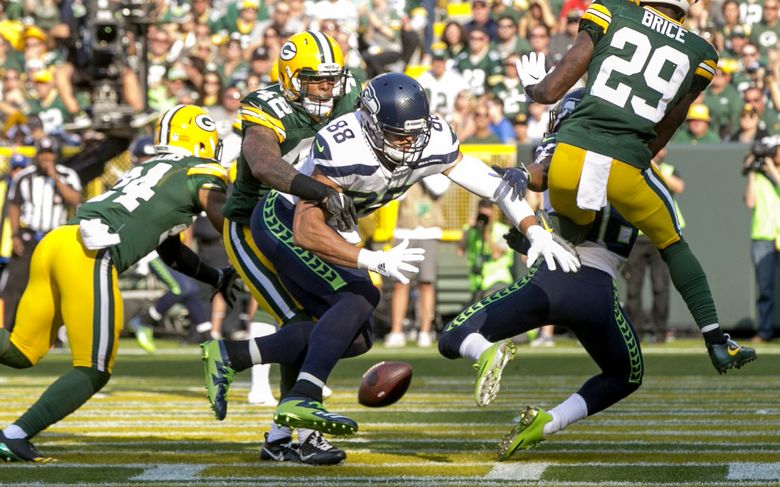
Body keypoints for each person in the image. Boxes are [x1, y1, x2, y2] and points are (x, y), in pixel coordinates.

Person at [201, 73, 579, 453]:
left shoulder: (432, 137)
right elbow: (307, 231)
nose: (409, 143)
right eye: (398, 134)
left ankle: (246, 379)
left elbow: (493, 183)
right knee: (360, 295)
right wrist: (371, 259)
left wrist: (535, 232)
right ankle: (305, 397)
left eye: (414, 133)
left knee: (357, 335)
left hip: (334, 228)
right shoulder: (344, 146)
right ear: (369, 122)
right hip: (283, 221)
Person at [515, 0, 757, 372]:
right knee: (673, 243)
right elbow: (671, 123)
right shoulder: (701, 52)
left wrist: (533, 90)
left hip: (571, 154)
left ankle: (538, 235)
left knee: (574, 224)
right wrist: (635, 158)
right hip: (627, 160)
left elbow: (552, 91)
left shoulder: (613, 11)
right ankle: (716, 340)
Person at [0, 105, 237, 462]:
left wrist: (215, 276)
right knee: (92, 369)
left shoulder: (149, 169)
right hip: (91, 253)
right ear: (202, 139)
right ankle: (14, 435)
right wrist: (252, 249)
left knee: (20, 351)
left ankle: (15, 435)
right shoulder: (199, 170)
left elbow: (169, 248)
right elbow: (220, 213)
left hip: (58, 241)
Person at [218, 30, 360, 466]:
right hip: (251, 226)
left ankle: (283, 434)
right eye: (313, 80)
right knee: (302, 323)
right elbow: (263, 164)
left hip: (303, 222)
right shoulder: (266, 105)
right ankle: (293, 433)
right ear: (288, 77)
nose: (325, 89)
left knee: (330, 324)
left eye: (330, 79)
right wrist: (318, 192)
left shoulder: (349, 94)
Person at [123, 136, 215, 352]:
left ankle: (206, 335)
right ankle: (144, 320)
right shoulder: (132, 181)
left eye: (151, 157)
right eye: (144, 157)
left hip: (165, 242)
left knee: (190, 290)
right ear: (136, 159)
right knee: (181, 287)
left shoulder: (165, 178)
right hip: (147, 248)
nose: (148, 161)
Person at [1, 136, 82, 330]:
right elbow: (14, 205)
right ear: (37, 155)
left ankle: (59, 333)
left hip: (55, 237)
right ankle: (6, 333)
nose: (46, 158)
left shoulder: (67, 174)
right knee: (15, 287)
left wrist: (55, 178)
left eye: (50, 154)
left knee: (60, 287)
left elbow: (75, 199)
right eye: (43, 154)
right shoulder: (25, 176)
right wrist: (15, 235)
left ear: (56, 155)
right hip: (28, 236)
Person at [621, 147, 685, 343]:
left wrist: (654, 168)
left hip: (660, 234)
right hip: (637, 234)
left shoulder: (669, 168)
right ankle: (636, 331)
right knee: (634, 287)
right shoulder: (634, 167)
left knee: (660, 285)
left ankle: (660, 331)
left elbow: (679, 186)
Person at [385, 177, 450, 348]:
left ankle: (424, 331)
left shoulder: (438, 166)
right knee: (400, 283)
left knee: (426, 283)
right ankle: (397, 331)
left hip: (429, 232)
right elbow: (395, 195)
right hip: (405, 231)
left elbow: (438, 187)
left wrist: (422, 168)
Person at [743, 138, 780, 343]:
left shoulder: (774, 175)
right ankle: (764, 330)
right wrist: (751, 173)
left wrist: (772, 171)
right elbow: (749, 202)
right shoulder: (759, 177)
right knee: (764, 288)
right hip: (762, 236)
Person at [458, 199, 514, 303]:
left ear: (494, 214)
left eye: (488, 216)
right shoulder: (471, 230)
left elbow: (496, 255)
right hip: (478, 285)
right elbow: (459, 251)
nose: (486, 219)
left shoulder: (503, 231)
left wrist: (486, 233)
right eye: (482, 215)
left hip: (498, 281)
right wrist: (468, 229)